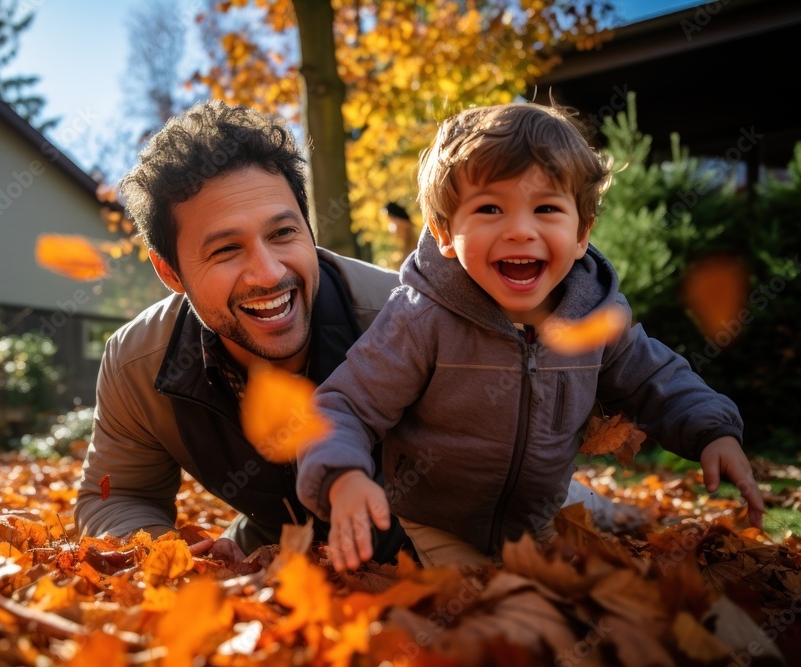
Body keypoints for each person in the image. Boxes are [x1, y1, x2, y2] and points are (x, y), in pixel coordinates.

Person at [74, 99, 645, 562]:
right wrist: (171, 559)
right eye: (226, 250)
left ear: (307, 226)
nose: (269, 272)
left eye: (282, 234)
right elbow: (118, 495)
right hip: (290, 537)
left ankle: (593, 504)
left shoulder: (405, 315)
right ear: (170, 271)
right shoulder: (137, 364)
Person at [296, 102, 765, 572]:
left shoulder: (594, 318)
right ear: (444, 232)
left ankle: (601, 519)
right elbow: (348, 405)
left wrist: (712, 431)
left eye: (545, 208)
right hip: (438, 520)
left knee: (580, 599)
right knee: (482, 609)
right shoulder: (420, 320)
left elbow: (656, 380)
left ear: (582, 233)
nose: (520, 230)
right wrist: (341, 476)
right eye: (490, 208)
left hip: (538, 516)